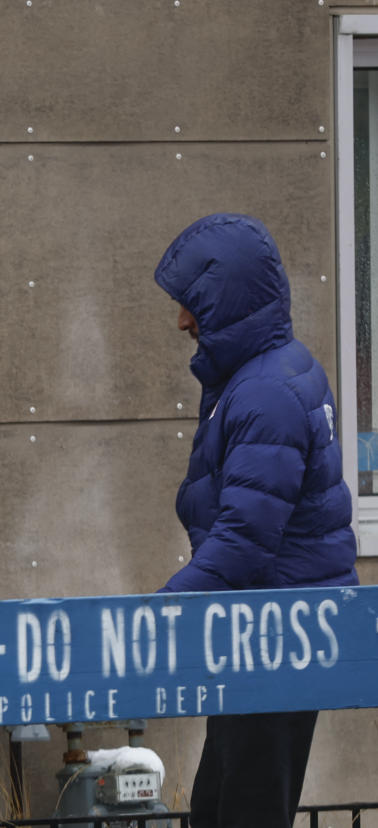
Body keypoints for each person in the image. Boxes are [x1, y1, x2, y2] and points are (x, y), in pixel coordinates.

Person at [153, 213, 358, 828]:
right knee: (218, 807)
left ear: (227, 300)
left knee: (241, 811)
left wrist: (157, 613)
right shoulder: (259, 374)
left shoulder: (264, 391)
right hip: (265, 634)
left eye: (191, 304)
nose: (181, 320)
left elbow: (243, 543)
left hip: (278, 640)